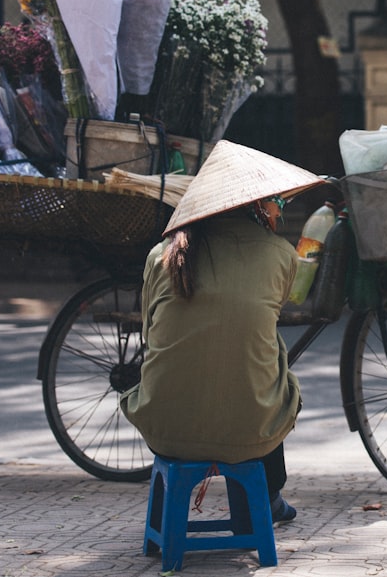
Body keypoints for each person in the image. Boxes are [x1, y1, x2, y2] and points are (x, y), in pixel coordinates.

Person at [120, 140, 324, 523]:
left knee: (241, 357)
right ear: (256, 207)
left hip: (166, 425)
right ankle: (263, 498)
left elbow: (151, 334)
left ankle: (220, 506)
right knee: (267, 365)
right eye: (274, 202)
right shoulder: (280, 254)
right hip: (250, 427)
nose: (277, 210)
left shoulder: (159, 255)